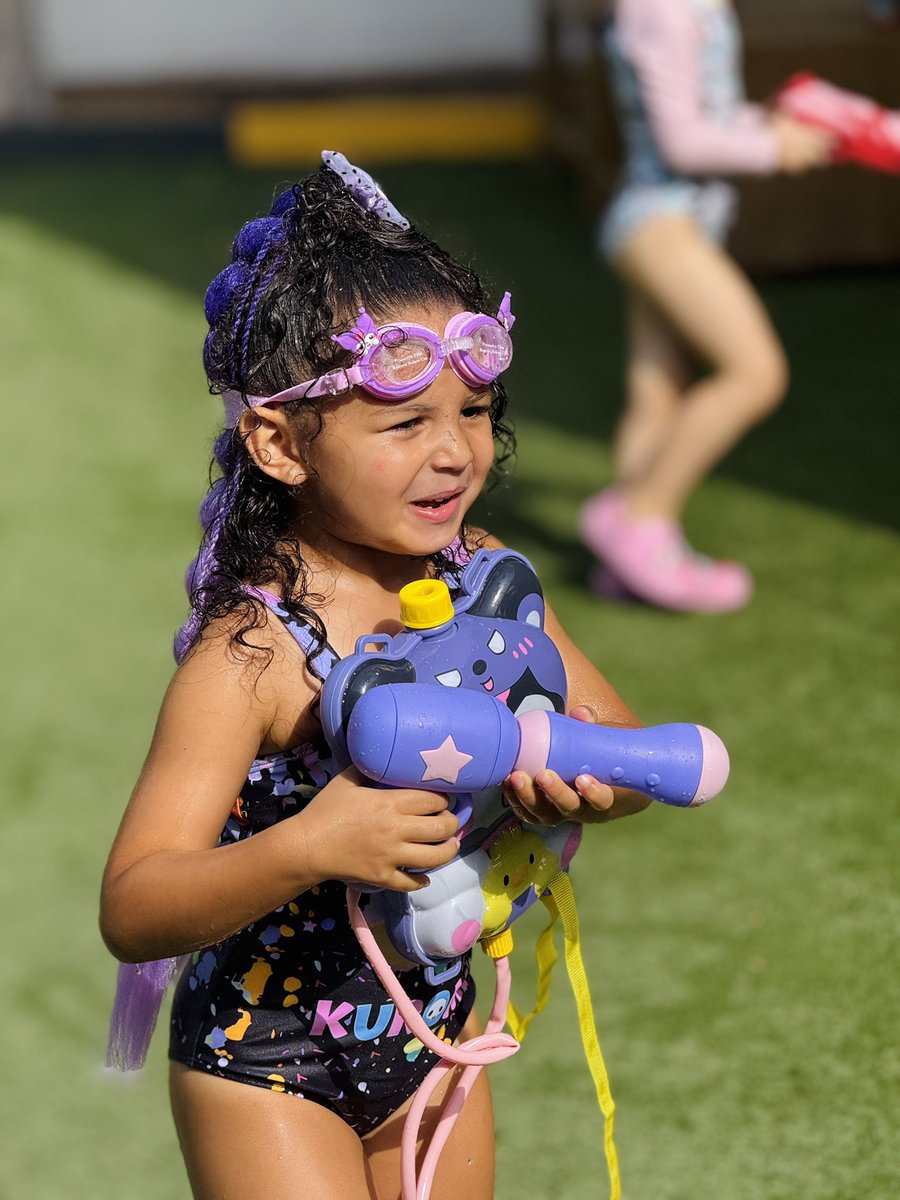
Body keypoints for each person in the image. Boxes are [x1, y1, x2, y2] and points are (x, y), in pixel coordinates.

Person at [100, 152, 651, 1200]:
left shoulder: (487, 578)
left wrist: (577, 781)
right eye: (405, 423)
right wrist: (309, 843)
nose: (456, 452)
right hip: (264, 1061)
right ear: (279, 443)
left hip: (434, 1037)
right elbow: (134, 905)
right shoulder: (255, 650)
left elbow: (621, 749)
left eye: (475, 410)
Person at [580, 0, 835, 612]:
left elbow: (703, 115)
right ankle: (644, 518)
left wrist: (762, 123)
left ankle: (626, 559)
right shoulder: (666, 12)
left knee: (658, 391)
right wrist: (771, 147)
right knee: (756, 373)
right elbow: (683, 142)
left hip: (670, 225)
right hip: (663, 226)